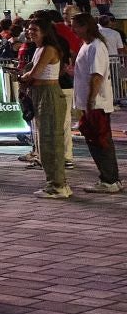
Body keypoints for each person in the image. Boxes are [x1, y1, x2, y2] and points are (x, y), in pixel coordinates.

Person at [18, 18, 70, 199]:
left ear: (45, 32)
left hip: (49, 95)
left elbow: (35, 73)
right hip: (40, 94)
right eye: (29, 29)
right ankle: (56, 183)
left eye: (35, 29)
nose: (30, 32)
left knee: (51, 141)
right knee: (45, 141)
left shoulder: (48, 49)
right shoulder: (39, 49)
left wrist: (24, 77)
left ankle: (58, 185)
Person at [70, 15, 118, 195]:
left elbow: (96, 76)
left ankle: (109, 179)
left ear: (86, 27)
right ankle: (109, 178)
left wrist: (91, 100)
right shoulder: (88, 45)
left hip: (96, 104)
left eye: (75, 26)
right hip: (90, 103)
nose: (73, 30)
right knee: (96, 140)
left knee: (100, 141)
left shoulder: (96, 46)